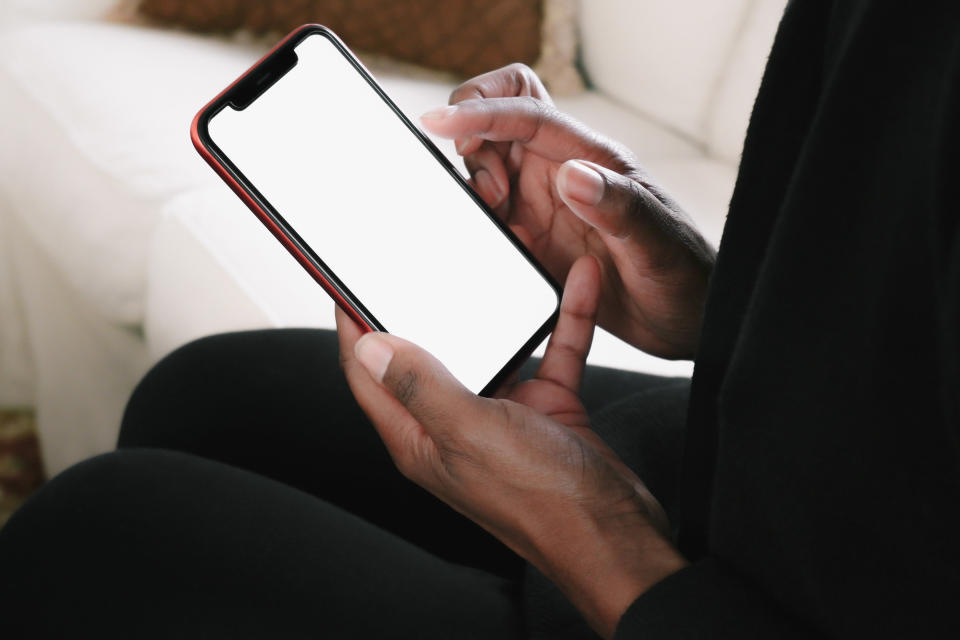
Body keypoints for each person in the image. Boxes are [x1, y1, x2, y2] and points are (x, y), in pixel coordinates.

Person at [1, 2, 958, 637]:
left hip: (741, 606)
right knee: (203, 393)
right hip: (783, 463)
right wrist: (716, 304)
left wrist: (596, 540)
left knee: (87, 535)